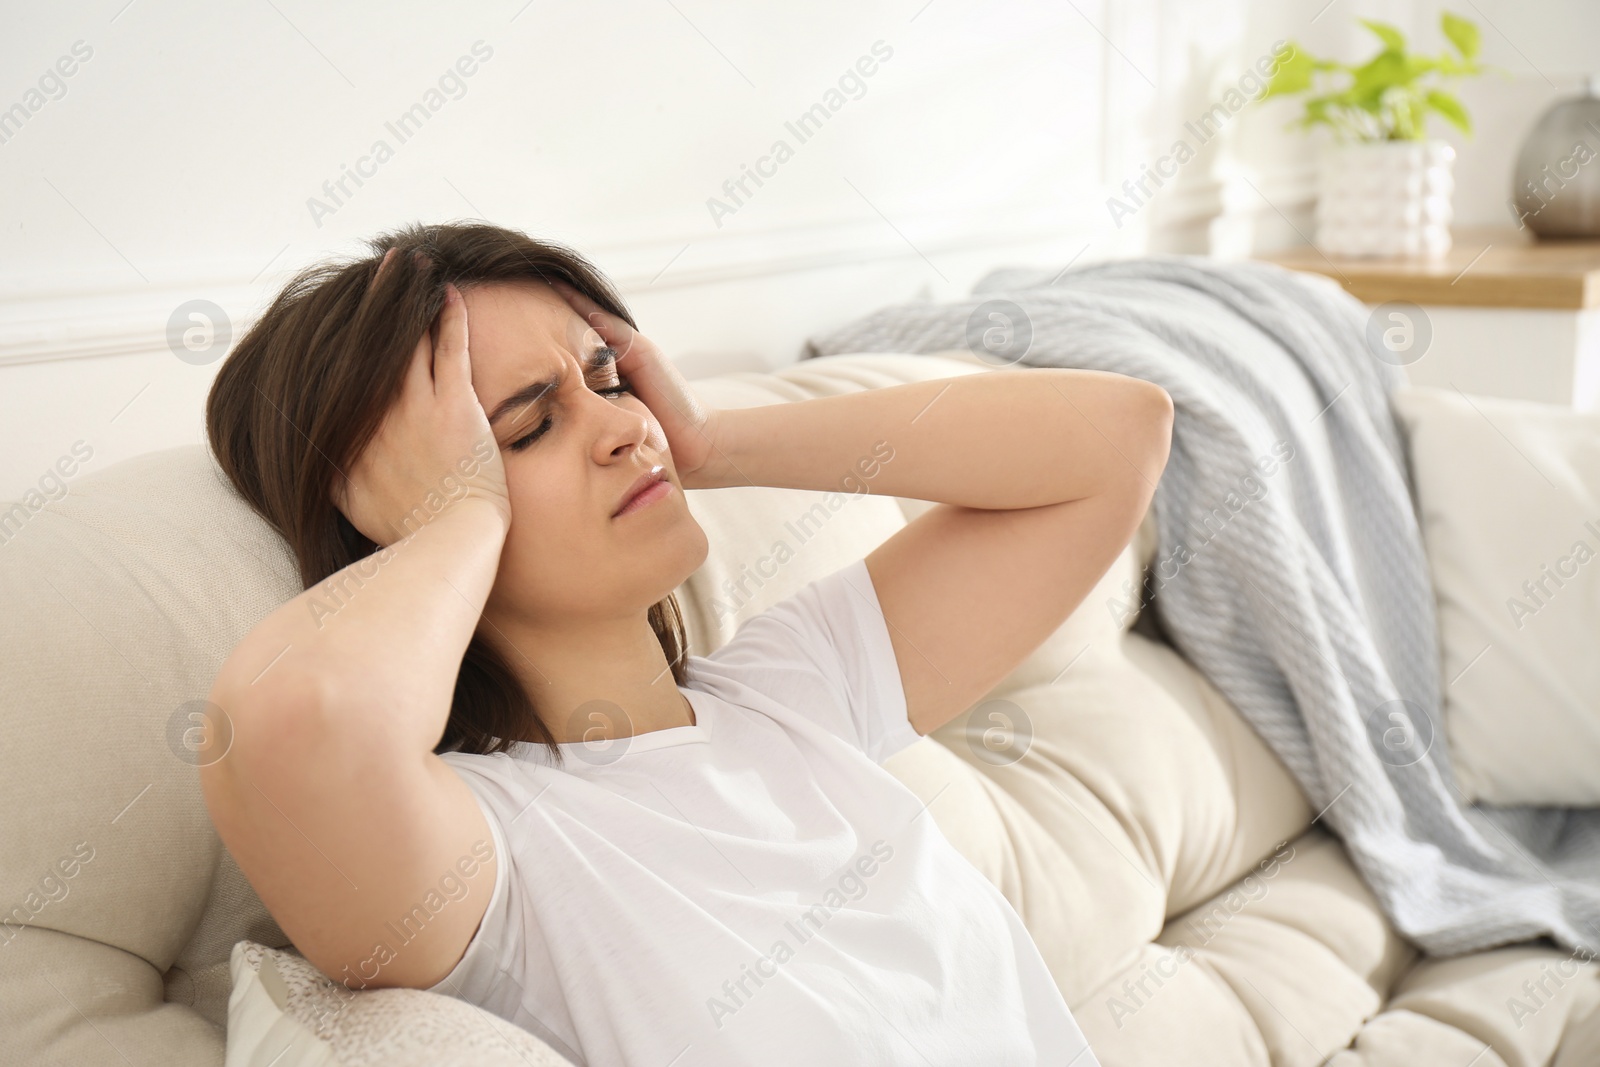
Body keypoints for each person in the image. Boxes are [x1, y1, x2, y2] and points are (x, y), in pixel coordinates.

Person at [198, 221, 1172, 1065]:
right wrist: (452, 523)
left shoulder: (791, 692)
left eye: (607, 378)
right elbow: (294, 722)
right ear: (407, 504)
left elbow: (1117, 438)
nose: (625, 427)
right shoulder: (488, 862)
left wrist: (708, 442)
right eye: (529, 424)